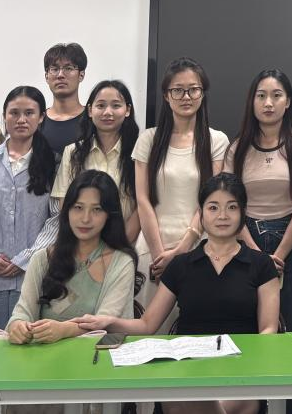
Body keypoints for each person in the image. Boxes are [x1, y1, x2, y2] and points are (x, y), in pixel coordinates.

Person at [75, 174, 280, 414]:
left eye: (231, 207)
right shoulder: (181, 265)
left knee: (199, 403)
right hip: (190, 370)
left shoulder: (261, 264)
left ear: (243, 213)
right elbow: (147, 324)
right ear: (200, 214)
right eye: (213, 207)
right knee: (183, 401)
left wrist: (247, 363)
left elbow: (268, 329)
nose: (222, 215)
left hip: (240, 371)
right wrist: (109, 322)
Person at [223, 70, 292, 339]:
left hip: (290, 244)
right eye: (261, 96)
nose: (268, 103)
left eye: (277, 96)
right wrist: (257, 254)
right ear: (251, 102)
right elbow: (230, 206)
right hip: (245, 241)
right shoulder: (237, 148)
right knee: (246, 327)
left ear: (288, 102)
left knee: (291, 329)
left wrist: (280, 254)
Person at [134, 58, 228, 322]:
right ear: (166, 95)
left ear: (202, 93)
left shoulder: (216, 140)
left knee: (194, 329)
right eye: (178, 90)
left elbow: (211, 201)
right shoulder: (149, 139)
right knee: (149, 328)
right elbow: (142, 199)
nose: (186, 97)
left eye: (193, 89)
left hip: (200, 247)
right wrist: (158, 255)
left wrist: (182, 249)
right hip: (153, 248)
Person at [6, 169, 136, 345]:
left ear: (109, 215)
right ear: (67, 210)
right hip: (43, 357)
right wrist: (18, 327)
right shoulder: (43, 259)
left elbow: (106, 323)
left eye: (97, 209)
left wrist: (65, 330)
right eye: (78, 207)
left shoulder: (121, 262)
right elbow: (22, 313)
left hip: (96, 357)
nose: (85, 218)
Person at [0, 85, 57, 338]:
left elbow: (57, 219)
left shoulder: (54, 162)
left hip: (33, 276)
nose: (21, 119)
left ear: (41, 117)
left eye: (29, 113)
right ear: (4, 116)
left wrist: (27, 259)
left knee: (29, 347)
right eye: (14, 113)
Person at [50, 79, 141, 243]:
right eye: (101, 106)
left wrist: (120, 248)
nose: (108, 112)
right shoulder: (73, 152)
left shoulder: (140, 152)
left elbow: (142, 206)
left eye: (116, 105)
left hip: (125, 244)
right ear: (90, 110)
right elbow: (65, 204)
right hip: (82, 244)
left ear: (127, 110)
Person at [39, 42, 88, 157]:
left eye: (68, 68)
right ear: (46, 76)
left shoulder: (93, 119)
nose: (60, 75)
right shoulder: (37, 121)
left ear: (81, 75)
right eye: (54, 69)